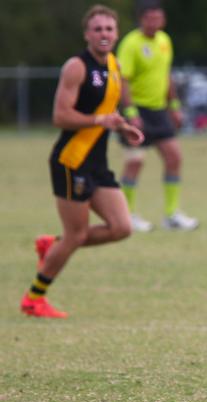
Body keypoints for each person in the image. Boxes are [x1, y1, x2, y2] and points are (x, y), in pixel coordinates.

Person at [20, 4, 144, 318]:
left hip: (97, 164)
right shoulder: (76, 66)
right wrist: (99, 120)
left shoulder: (114, 64)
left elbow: (106, 114)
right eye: (98, 29)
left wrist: (123, 127)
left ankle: (53, 245)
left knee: (122, 227)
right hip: (70, 161)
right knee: (76, 234)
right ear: (87, 34)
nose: (104, 34)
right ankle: (34, 298)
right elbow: (60, 116)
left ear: (116, 34)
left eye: (109, 29)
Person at [117, 0, 198, 231]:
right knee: (135, 162)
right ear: (141, 19)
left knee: (174, 158)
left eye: (158, 18)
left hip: (159, 110)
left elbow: (166, 74)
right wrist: (130, 113)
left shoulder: (164, 40)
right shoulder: (131, 44)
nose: (154, 22)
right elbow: (123, 80)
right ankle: (126, 216)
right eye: (149, 18)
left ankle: (171, 215)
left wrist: (174, 105)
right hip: (136, 110)